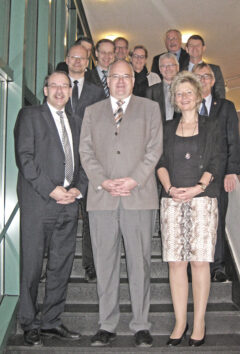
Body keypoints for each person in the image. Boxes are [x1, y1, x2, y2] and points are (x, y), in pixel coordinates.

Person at [79, 60, 163, 348]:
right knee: (104, 264)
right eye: (115, 76)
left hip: (138, 197)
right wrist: (103, 181)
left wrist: (134, 180)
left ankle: (141, 324)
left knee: (139, 264)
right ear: (108, 80)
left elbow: (154, 149)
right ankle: (106, 324)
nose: (120, 81)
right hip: (102, 198)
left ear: (132, 79)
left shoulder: (150, 108)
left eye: (126, 76)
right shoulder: (92, 112)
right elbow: (85, 151)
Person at [14, 71, 88, 346]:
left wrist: (78, 189)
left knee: (61, 266)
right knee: (32, 266)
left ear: (70, 91)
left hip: (69, 206)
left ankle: (51, 322)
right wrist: (51, 189)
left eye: (64, 86)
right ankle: (29, 322)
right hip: (39, 203)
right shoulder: (30, 116)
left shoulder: (77, 122)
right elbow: (25, 159)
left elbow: (84, 162)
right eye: (54, 85)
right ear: (45, 90)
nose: (59, 90)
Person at [157, 71, 221, 347]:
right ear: (174, 99)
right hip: (172, 201)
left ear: (197, 96)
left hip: (202, 200)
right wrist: (170, 189)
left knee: (199, 262)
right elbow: (159, 162)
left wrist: (197, 188)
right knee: (176, 264)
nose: (184, 97)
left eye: (188, 93)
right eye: (179, 93)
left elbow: (218, 161)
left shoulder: (212, 126)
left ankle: (198, 322)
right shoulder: (167, 128)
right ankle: (180, 321)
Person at [193, 62, 240, 282]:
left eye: (206, 76)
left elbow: (233, 140)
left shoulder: (227, 107)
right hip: (192, 177)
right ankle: (194, 266)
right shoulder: (185, 106)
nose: (202, 80)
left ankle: (218, 267)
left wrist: (232, 171)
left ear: (213, 81)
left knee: (217, 219)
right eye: (198, 76)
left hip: (220, 176)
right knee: (194, 221)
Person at [65, 44, 105, 281]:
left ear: (88, 61)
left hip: (90, 161)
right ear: (67, 59)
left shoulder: (97, 92)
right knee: (63, 215)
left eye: (82, 58)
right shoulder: (58, 86)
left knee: (92, 216)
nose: (78, 62)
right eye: (73, 58)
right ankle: (61, 265)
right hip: (62, 162)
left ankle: (90, 264)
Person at [185, 35, 225, 99]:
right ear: (187, 49)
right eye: (191, 46)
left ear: (203, 48)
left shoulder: (215, 70)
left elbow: (220, 95)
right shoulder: (179, 71)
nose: (194, 48)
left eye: (198, 45)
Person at [146, 52, 179, 123]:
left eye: (171, 65)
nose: (168, 68)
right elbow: (147, 117)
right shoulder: (151, 91)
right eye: (164, 66)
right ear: (160, 70)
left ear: (177, 67)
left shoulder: (185, 90)